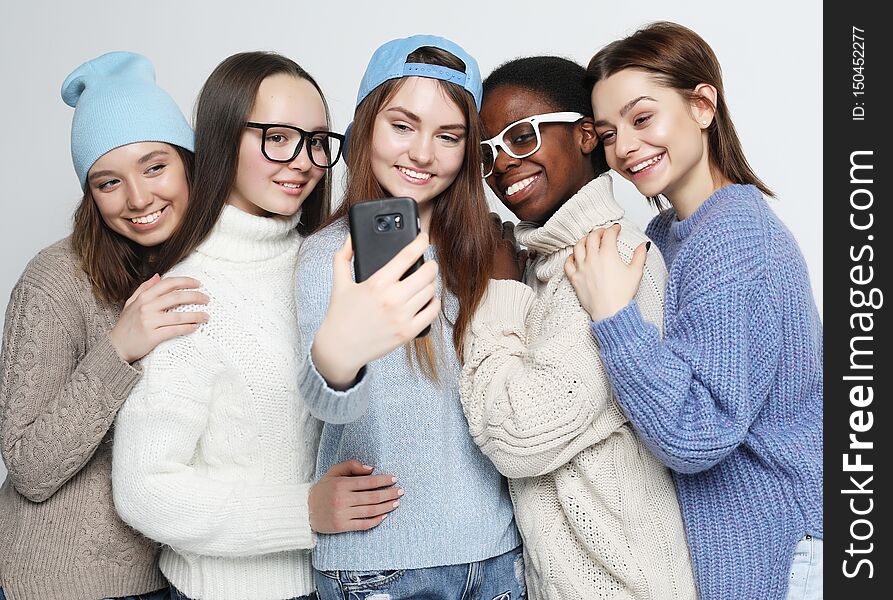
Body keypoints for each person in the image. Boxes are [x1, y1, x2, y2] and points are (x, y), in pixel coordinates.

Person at [111, 52, 399, 600]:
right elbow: (144, 488)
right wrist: (302, 510)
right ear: (224, 140)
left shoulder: (327, 263)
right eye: (277, 137)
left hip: (344, 579)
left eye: (316, 141)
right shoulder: (189, 291)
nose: (303, 162)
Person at [565, 21, 823, 600]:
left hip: (784, 551)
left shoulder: (731, 237)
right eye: (608, 133)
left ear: (702, 105)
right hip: (760, 548)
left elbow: (696, 433)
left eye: (642, 118)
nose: (625, 147)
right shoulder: (675, 232)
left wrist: (613, 318)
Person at [295, 35, 524, 600]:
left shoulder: (488, 249)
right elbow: (326, 402)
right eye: (402, 125)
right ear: (367, 124)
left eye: (448, 137)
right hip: (379, 563)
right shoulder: (330, 254)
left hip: (496, 553)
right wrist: (340, 354)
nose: (423, 153)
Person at [460, 56, 697, 599]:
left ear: (587, 134)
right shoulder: (541, 262)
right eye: (488, 151)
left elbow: (519, 436)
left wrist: (499, 294)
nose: (503, 164)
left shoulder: (611, 258)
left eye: (522, 137)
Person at [0, 51, 203, 600]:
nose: (138, 199)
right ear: (90, 194)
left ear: (188, 162)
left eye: (155, 166)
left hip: (168, 574)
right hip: (60, 580)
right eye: (108, 182)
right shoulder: (56, 279)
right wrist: (118, 350)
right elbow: (29, 467)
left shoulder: (205, 263)